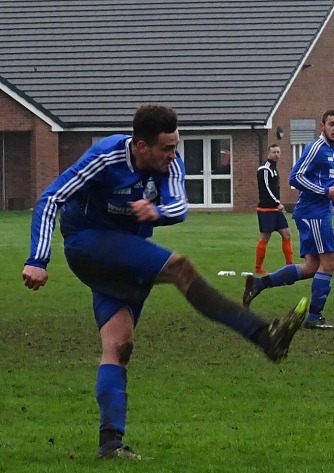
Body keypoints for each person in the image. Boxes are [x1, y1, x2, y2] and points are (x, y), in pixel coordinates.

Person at [21, 105, 309, 460]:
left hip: (126, 250)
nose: (174, 154)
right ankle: (263, 336)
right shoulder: (105, 157)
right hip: (88, 242)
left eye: (176, 146)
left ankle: (110, 443)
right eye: (166, 148)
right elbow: (50, 198)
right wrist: (37, 259)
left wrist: (156, 212)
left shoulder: (170, 164)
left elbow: (180, 206)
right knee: (181, 269)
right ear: (141, 146)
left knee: (119, 345)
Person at [243, 109, 334, 330]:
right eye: (331, 124)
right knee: (329, 264)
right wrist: (324, 193)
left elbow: (320, 184)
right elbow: (296, 177)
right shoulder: (316, 148)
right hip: (314, 215)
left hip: (318, 211)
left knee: (311, 267)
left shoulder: (331, 150)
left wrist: (332, 199)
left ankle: (258, 283)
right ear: (322, 127)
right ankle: (314, 317)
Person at [254, 144, 295, 274]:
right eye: (274, 152)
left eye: (278, 152)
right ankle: (258, 268)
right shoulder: (264, 169)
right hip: (266, 210)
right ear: (268, 153)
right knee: (265, 238)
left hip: (275, 210)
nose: (276, 154)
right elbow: (266, 188)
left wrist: (277, 204)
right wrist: (277, 202)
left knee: (287, 234)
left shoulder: (274, 168)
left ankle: (290, 266)